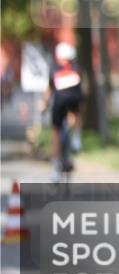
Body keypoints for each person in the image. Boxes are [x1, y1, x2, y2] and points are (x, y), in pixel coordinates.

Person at [38, 42, 84, 182]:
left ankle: (56, 167)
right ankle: (76, 137)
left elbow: (49, 89)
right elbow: (83, 89)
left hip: (58, 103)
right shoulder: (77, 68)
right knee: (77, 111)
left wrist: (43, 104)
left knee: (56, 132)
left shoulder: (54, 69)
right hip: (73, 102)